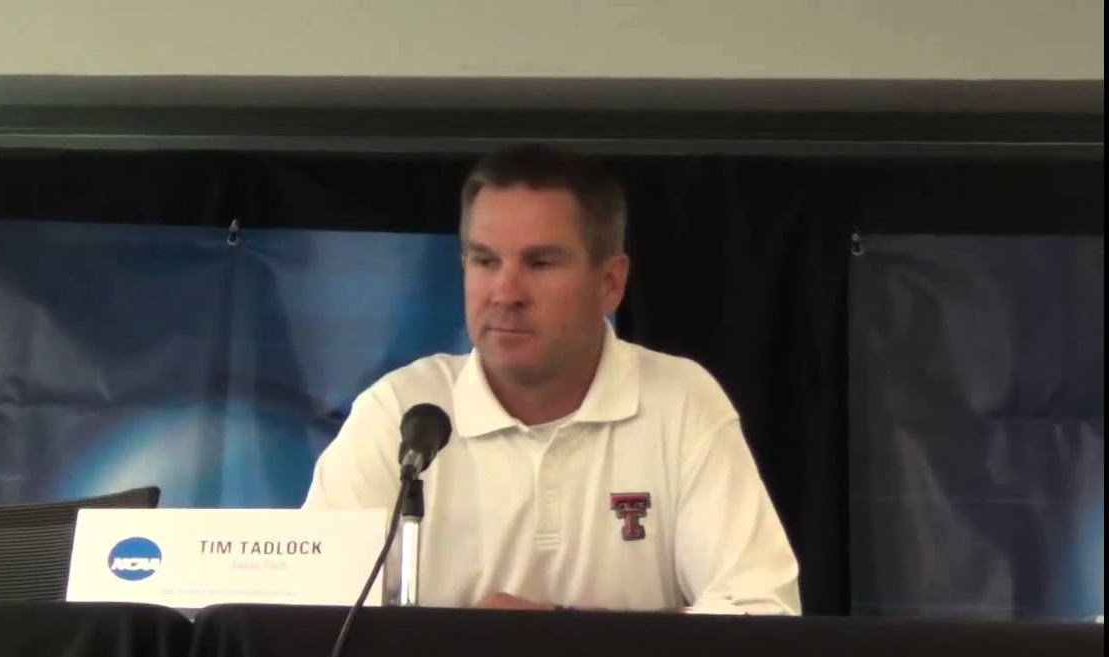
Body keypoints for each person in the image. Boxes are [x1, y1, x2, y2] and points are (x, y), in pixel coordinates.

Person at [303, 144, 800, 615]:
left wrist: (555, 632)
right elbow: (305, 616)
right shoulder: (403, 412)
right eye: (485, 260)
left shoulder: (679, 401)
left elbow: (761, 612)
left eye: (540, 263)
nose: (506, 291)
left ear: (610, 282)